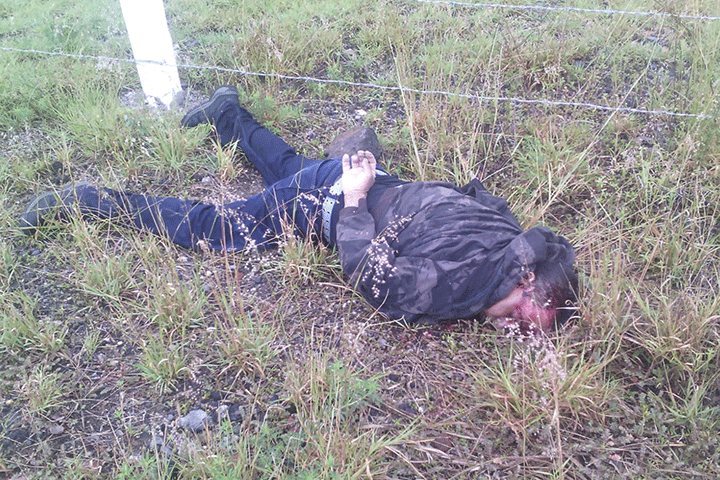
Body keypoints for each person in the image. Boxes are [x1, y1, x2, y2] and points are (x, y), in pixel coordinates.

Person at [20, 86, 578, 333]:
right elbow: (367, 274)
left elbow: (477, 194)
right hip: (337, 198)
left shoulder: (517, 236)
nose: (518, 327)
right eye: (525, 316)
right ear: (526, 279)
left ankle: (227, 114)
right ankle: (89, 201)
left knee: (287, 168)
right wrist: (356, 198)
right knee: (219, 229)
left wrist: (384, 192)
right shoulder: (461, 284)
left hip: (371, 181)